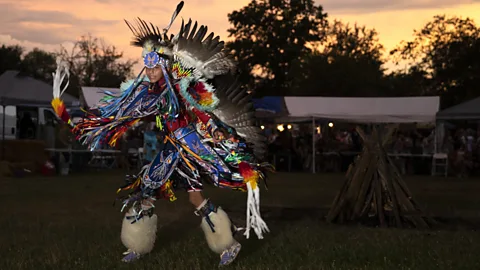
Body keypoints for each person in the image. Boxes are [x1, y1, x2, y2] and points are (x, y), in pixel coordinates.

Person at [50, 1, 271, 266]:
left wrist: (219, 132)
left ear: (165, 65)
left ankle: (225, 244)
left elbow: (204, 112)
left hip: (191, 147)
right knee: (163, 192)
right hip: (173, 149)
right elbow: (118, 113)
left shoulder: (183, 89)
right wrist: (74, 119)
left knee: (168, 191)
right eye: (148, 66)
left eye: (155, 66)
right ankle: (141, 245)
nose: (151, 71)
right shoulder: (147, 94)